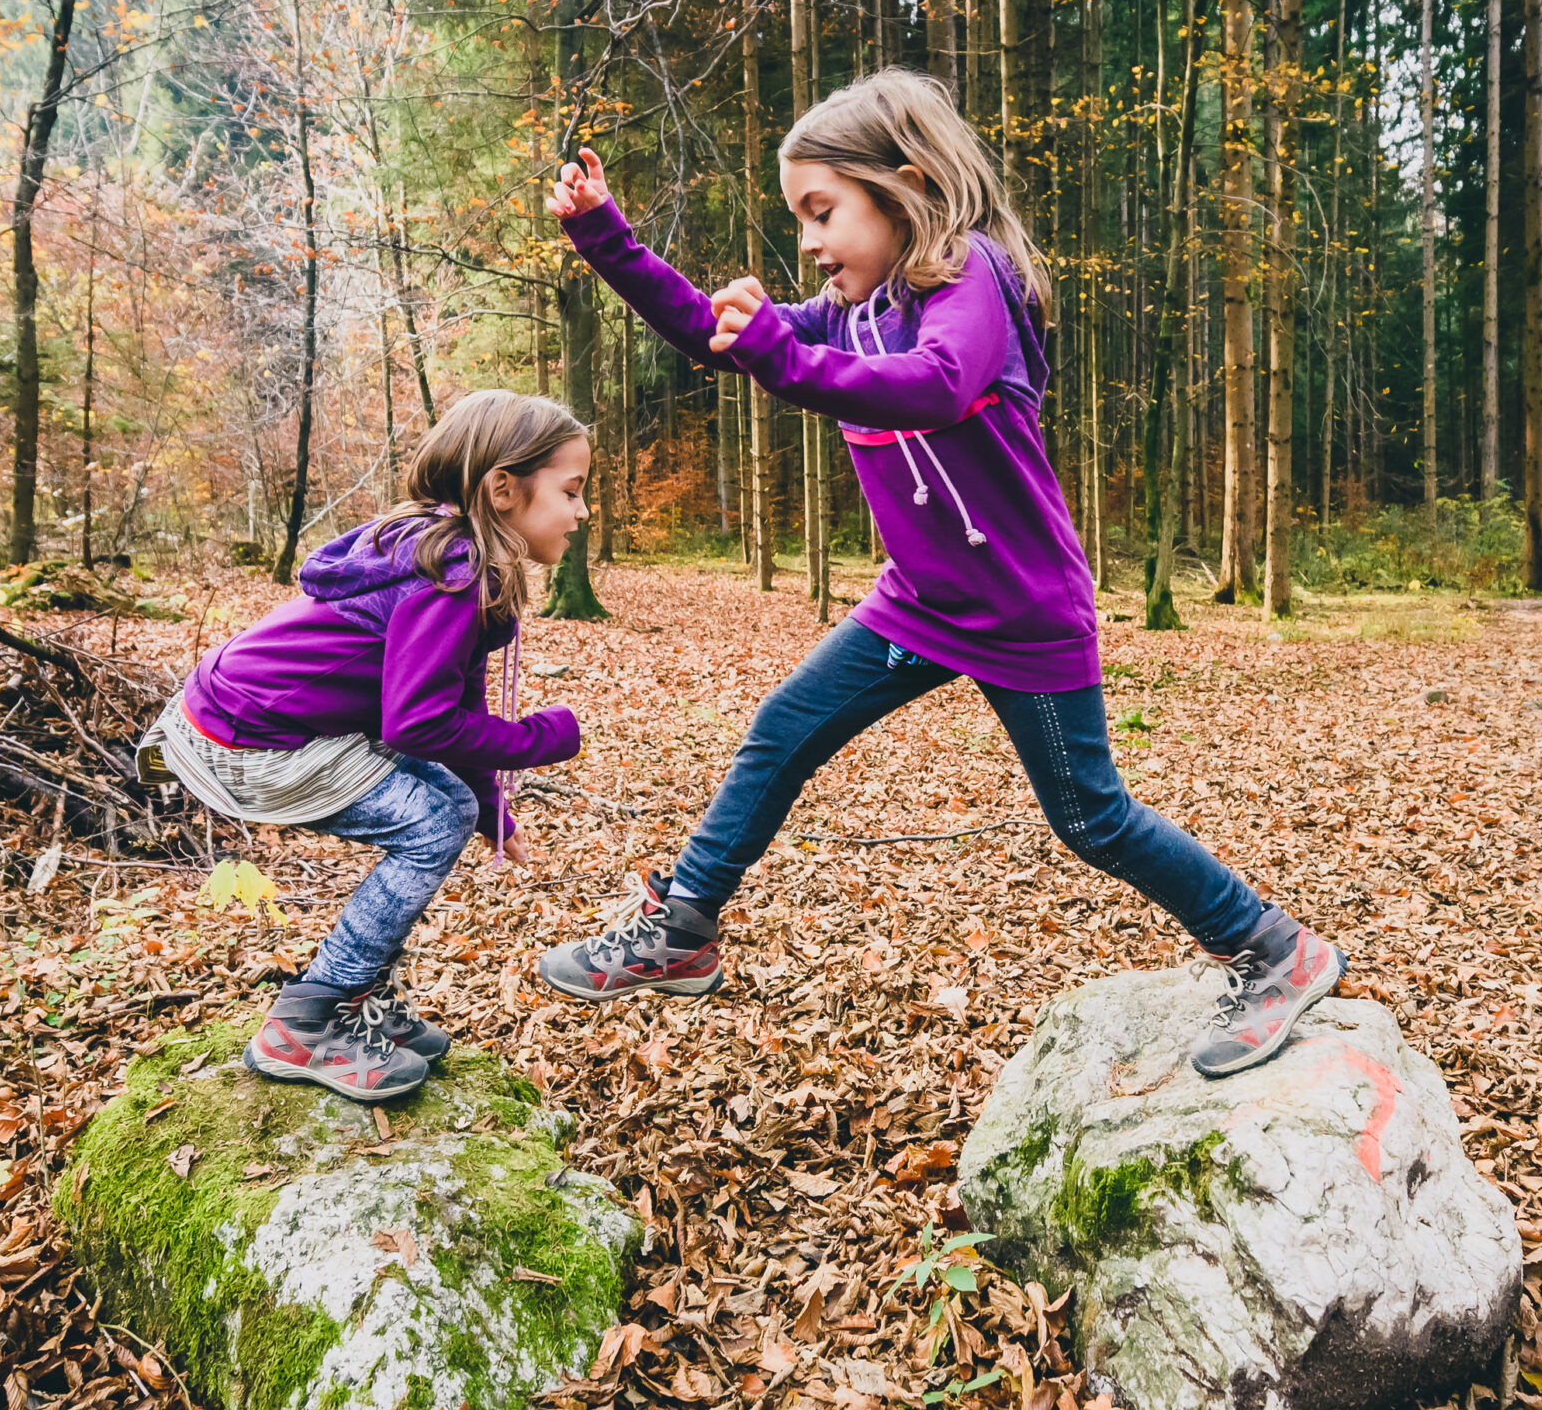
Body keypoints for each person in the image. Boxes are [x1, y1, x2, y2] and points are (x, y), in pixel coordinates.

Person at [535, 69, 1345, 1079]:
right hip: (914, 603)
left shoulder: (976, 281)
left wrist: (786, 357)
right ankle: (683, 924)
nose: (808, 241)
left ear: (905, 185)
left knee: (1091, 816)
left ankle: (1275, 948)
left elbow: (937, 382)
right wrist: (606, 236)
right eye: (799, 220)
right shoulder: (848, 315)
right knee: (783, 726)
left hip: (1021, 610)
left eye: (822, 211)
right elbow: (715, 334)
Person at [140, 391, 589, 1101]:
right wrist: (540, 737)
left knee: (444, 805)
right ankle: (309, 1021)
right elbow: (417, 724)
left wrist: (490, 807)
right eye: (571, 491)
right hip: (247, 736)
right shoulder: (455, 574)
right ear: (504, 489)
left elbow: (452, 707)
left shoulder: (448, 552)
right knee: (432, 819)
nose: (582, 511)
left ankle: (355, 1000)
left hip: (225, 714)